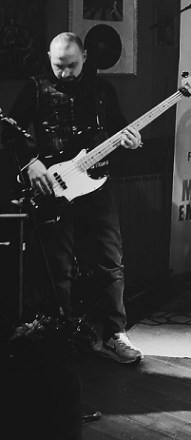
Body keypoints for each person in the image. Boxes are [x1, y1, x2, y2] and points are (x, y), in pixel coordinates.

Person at [1, 32, 143, 364]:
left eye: (72, 65)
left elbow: (121, 128)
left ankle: (116, 334)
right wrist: (30, 163)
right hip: (55, 187)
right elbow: (9, 130)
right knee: (57, 267)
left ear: (85, 57)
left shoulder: (102, 89)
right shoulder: (36, 88)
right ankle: (60, 337)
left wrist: (133, 141)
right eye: (58, 66)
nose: (65, 73)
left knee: (110, 261)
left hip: (97, 185)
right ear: (49, 59)